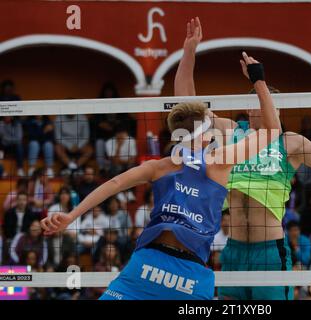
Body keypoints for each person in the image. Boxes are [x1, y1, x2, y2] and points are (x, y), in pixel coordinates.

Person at [40, 40, 282, 300]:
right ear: (205, 135)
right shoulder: (219, 161)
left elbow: (113, 184)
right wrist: (259, 81)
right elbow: (273, 130)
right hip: (189, 276)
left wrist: (71, 215)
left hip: (145, 266)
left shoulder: (159, 166)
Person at [175, 17, 311, 300]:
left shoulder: (289, 142)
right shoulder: (231, 130)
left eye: (273, 104)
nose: (268, 107)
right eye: (261, 100)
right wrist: (190, 50)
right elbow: (185, 105)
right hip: (234, 250)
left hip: (270, 251)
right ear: (249, 106)